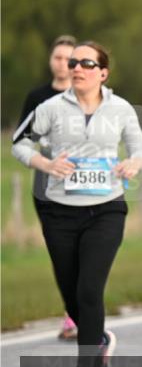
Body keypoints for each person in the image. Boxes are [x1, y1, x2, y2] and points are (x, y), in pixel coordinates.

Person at [13, 41, 142, 367]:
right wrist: (45, 165)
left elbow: (140, 149)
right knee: (71, 292)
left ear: (103, 72)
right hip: (59, 212)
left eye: (86, 63)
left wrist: (133, 163)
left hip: (106, 210)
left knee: (89, 289)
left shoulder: (120, 109)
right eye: (73, 62)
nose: (76, 68)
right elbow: (20, 143)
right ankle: (99, 340)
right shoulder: (51, 108)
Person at [12, 35, 80, 340]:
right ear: (50, 61)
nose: (63, 64)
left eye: (69, 58)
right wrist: (45, 161)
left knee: (85, 250)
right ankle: (73, 313)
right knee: (61, 253)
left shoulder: (87, 95)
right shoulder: (37, 97)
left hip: (83, 182)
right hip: (46, 183)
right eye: (57, 58)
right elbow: (22, 141)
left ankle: (80, 313)